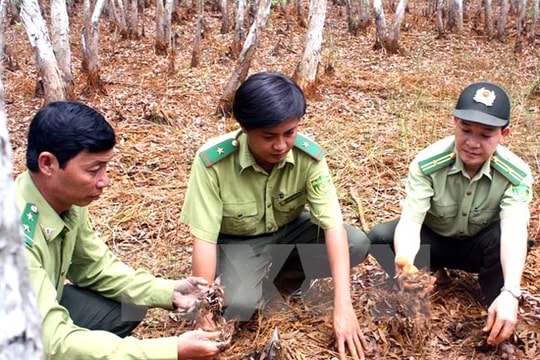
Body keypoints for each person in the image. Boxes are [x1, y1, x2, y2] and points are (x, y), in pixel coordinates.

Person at [180, 71, 371, 360]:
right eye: (269, 136)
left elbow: (333, 228)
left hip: (290, 230)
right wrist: (203, 312)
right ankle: (245, 281)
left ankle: (284, 281)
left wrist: (343, 305)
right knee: (242, 305)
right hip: (238, 240)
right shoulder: (213, 163)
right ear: (244, 129)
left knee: (356, 242)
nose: (281, 146)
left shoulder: (309, 157)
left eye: (289, 133)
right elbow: (204, 239)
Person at [16, 101, 229, 359]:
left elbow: (95, 267)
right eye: (93, 170)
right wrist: (171, 350)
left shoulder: (66, 201)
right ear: (48, 164)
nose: (105, 181)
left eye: (105, 167)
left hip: (35, 308)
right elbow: (53, 341)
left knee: (129, 304)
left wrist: (170, 292)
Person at [368, 82, 533, 346]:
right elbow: (411, 222)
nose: (472, 143)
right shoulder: (428, 163)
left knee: (511, 241)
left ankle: (495, 298)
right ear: (454, 122)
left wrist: (512, 291)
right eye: (465, 130)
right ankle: (427, 277)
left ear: (505, 134)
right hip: (437, 242)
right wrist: (406, 262)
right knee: (380, 236)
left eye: (486, 135)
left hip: (479, 247)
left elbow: (513, 229)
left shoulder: (516, 173)